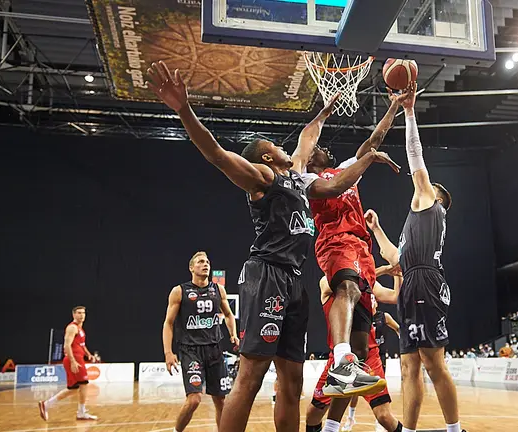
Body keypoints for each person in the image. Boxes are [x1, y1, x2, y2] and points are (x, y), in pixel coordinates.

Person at [146, 60, 397, 432]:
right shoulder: (263, 177)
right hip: (267, 274)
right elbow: (217, 154)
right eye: (275, 146)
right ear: (266, 157)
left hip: (295, 280)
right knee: (251, 374)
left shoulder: (299, 176)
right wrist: (184, 111)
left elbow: (312, 147)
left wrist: (326, 111)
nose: (285, 147)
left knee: (291, 383)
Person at [300, 89, 409, 398]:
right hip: (335, 242)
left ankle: (346, 369)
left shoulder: (344, 167)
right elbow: (339, 185)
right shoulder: (309, 181)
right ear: (308, 160)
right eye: (317, 148)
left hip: (361, 249)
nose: (322, 148)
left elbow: (371, 144)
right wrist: (368, 160)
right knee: (346, 289)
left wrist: (392, 108)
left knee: (362, 341)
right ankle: (340, 362)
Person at [394, 83, 461, 432]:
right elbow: (398, 259)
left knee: (432, 363)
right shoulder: (416, 221)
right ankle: (408, 429)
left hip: (425, 281)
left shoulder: (428, 203)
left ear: (437, 199)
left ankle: (454, 429)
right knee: (408, 366)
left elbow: (414, 154)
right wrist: (374, 232)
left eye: (431, 185)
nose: (424, 183)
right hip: (412, 280)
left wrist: (408, 111)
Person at [306, 267, 403, 432]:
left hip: (369, 355)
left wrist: (397, 274)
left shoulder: (369, 282)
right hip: (339, 357)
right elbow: (346, 280)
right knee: (313, 414)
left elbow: (394, 296)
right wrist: (381, 270)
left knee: (384, 416)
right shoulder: (327, 281)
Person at [162, 251, 239, 432]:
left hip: (214, 350)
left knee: (221, 400)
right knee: (194, 399)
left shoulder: (218, 290)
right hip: (191, 351)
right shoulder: (180, 291)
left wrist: (233, 334)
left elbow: (228, 315)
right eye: (200, 262)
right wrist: (168, 352)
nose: (205, 264)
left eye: (207, 262)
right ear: (191, 268)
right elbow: (168, 323)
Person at [38, 306, 97, 421]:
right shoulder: (72, 328)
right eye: (79, 313)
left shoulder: (81, 330)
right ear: (73, 314)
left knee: (73, 388)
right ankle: (81, 412)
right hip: (74, 359)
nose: (82, 315)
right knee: (84, 384)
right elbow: (66, 345)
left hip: (77, 358)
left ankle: (46, 404)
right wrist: (73, 361)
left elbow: (82, 345)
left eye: (83, 313)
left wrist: (89, 354)